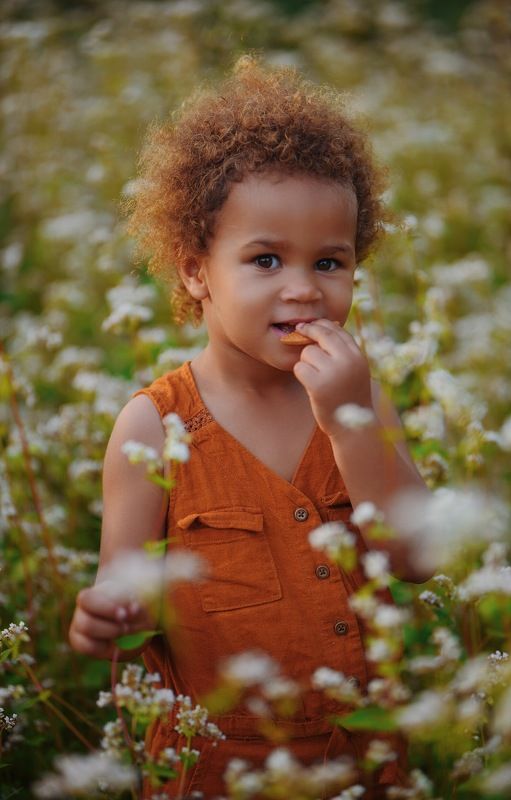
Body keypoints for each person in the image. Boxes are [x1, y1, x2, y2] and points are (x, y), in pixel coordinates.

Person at [69, 56, 432, 798]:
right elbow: (122, 584)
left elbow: (419, 554)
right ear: (196, 269)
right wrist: (102, 614)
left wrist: (350, 421)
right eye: (265, 259)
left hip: (365, 763)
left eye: (330, 261)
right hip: (215, 772)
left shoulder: (361, 397)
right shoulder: (152, 425)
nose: (304, 288)